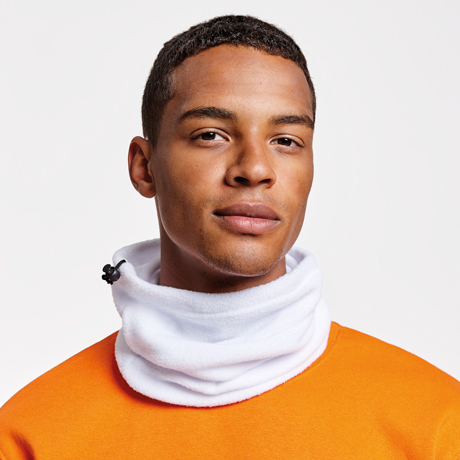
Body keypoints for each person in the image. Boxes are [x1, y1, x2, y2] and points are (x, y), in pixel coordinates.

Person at [0, 15, 459, 460]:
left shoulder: (437, 421)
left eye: (286, 140)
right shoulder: (30, 434)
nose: (255, 169)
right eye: (211, 135)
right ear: (144, 167)